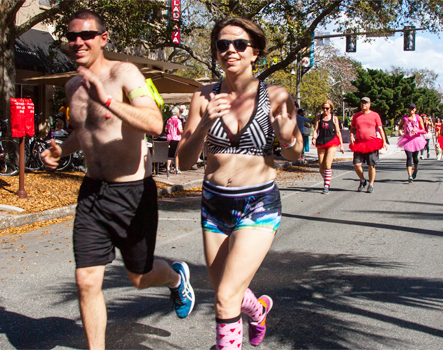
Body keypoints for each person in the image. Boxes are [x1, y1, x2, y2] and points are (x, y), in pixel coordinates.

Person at [39, 10, 195, 350]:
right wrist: (59, 151)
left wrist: (108, 99)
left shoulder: (124, 73)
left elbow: (155, 123)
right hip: (93, 192)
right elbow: (85, 132)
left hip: (132, 192)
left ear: (103, 39)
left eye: (87, 35)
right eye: (72, 37)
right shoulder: (72, 86)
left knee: (138, 277)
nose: (78, 42)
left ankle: (174, 277)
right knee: (86, 280)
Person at [176, 17, 302, 348]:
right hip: (214, 205)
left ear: (255, 52)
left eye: (239, 44)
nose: (230, 50)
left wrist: (287, 139)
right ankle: (258, 310)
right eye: (222, 44)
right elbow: (183, 161)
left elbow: (295, 152)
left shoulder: (275, 96)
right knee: (225, 293)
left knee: (225, 299)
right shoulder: (203, 96)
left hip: (258, 204)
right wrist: (204, 125)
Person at [348, 97, 387, 193]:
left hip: (372, 143)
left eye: (365, 103)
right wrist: (352, 136)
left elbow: (380, 128)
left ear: (369, 104)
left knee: (371, 165)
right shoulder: (356, 116)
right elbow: (352, 128)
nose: (363, 104)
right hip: (359, 143)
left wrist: (384, 141)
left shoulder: (375, 115)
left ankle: (371, 184)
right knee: (356, 164)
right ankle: (362, 180)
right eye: (362, 103)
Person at [313, 100, 344, 194]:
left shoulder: (334, 118)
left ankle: (326, 186)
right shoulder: (319, 117)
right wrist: (314, 138)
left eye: (327, 108)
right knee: (321, 168)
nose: (325, 110)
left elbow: (338, 132)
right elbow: (316, 129)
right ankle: (327, 180)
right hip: (321, 141)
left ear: (331, 108)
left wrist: (341, 145)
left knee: (327, 164)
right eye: (323, 108)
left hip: (331, 141)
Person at [397, 103, 427, 183]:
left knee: (415, 158)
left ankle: (415, 170)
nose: (411, 110)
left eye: (413, 109)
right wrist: (400, 130)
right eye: (410, 108)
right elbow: (400, 126)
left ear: (415, 109)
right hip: (407, 139)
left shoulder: (418, 117)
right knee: (409, 157)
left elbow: (423, 130)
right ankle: (409, 175)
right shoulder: (405, 118)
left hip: (416, 139)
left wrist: (417, 130)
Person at [165, 109, 183, 173]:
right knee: (177, 154)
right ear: (177, 113)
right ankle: (177, 168)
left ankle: (168, 167)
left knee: (170, 154)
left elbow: (166, 130)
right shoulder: (178, 121)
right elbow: (180, 130)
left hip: (169, 138)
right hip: (176, 138)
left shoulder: (168, 120)